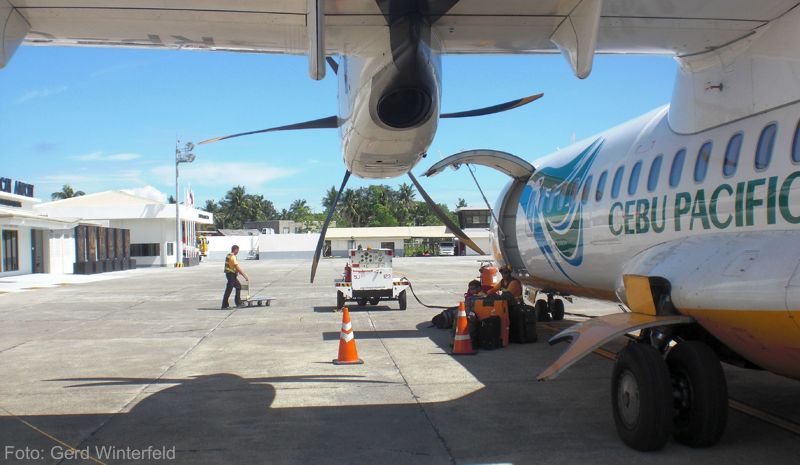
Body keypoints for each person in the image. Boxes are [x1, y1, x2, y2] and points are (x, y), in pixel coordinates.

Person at [221, 245, 249, 309]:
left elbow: (233, 266)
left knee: (237, 287)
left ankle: (227, 304)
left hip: (229, 274)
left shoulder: (228, 255)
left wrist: (237, 272)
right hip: (231, 275)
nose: (238, 252)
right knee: (231, 289)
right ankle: (235, 303)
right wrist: (244, 275)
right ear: (235, 250)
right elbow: (237, 267)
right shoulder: (233, 257)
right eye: (238, 250)